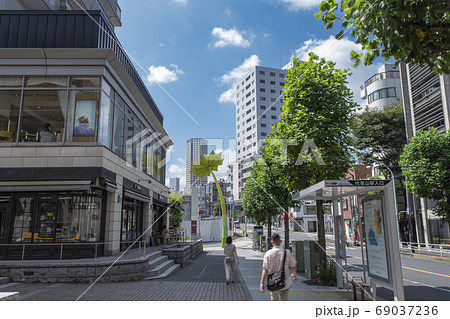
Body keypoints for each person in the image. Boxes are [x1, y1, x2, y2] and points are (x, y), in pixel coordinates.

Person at [260, 233, 297, 301]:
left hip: (273, 283)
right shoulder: (287, 252)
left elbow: (265, 269)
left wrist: (262, 283)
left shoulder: (268, 254)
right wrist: (294, 274)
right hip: (285, 282)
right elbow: (292, 265)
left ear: (271, 242)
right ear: (280, 241)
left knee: (274, 300)